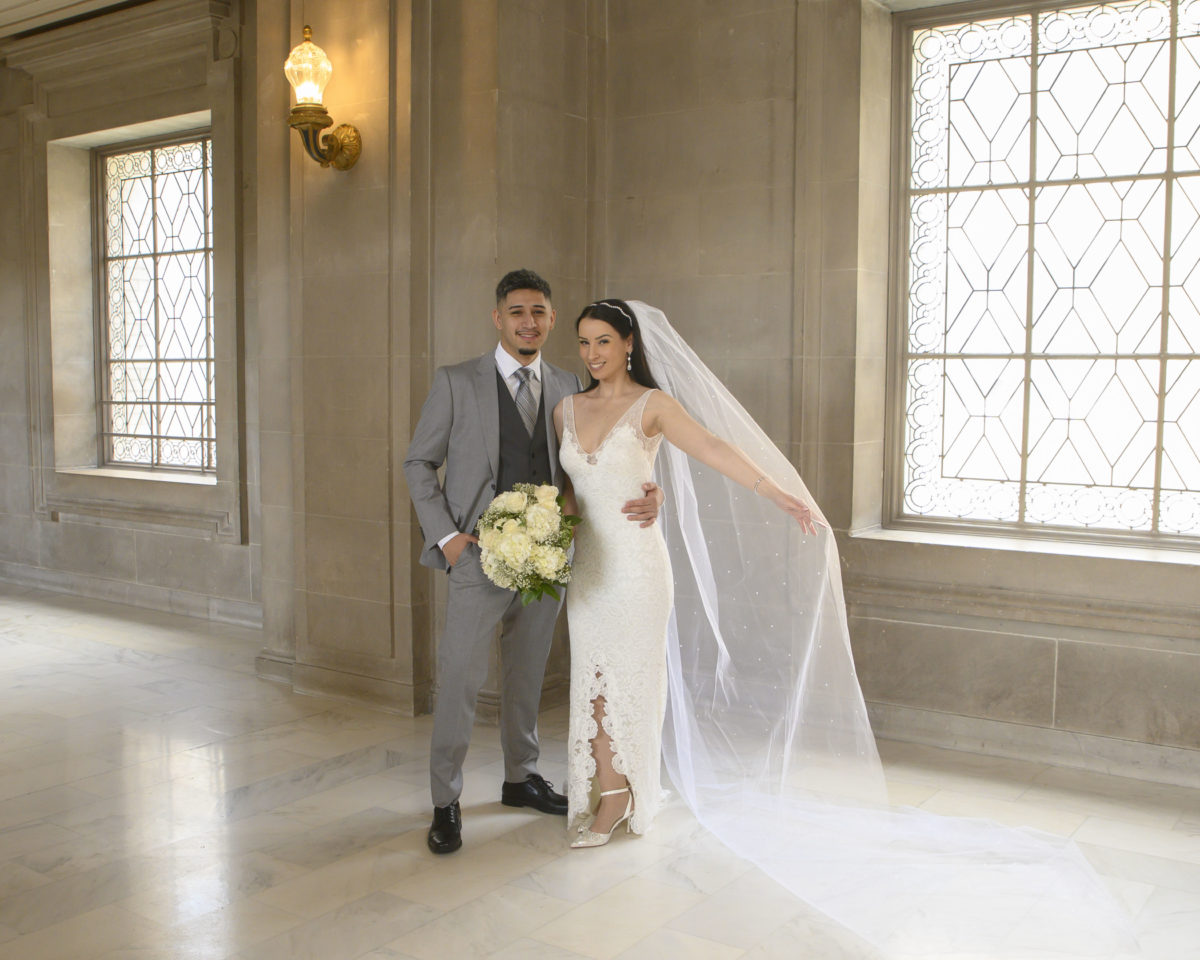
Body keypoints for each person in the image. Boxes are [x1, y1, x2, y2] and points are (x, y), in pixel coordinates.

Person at [553, 299, 1138, 958]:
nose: (593, 354)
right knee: (592, 681)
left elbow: (714, 447)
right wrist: (552, 533)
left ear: (628, 344)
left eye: (604, 341)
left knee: (626, 677)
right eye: (584, 344)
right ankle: (615, 788)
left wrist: (777, 494)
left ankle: (618, 796)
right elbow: (571, 492)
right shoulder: (565, 411)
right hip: (590, 567)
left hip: (636, 571)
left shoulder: (653, 406)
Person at [401, 271, 661, 855]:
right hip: (475, 558)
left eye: (539, 312)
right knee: (462, 683)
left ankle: (521, 780)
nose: (529, 321)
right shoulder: (456, 382)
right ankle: (446, 800)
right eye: (517, 311)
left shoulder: (570, 383)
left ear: (549, 318)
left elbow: (595, 463)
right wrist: (447, 538)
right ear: (498, 318)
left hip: (547, 561)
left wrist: (653, 492)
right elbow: (418, 463)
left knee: (527, 679)